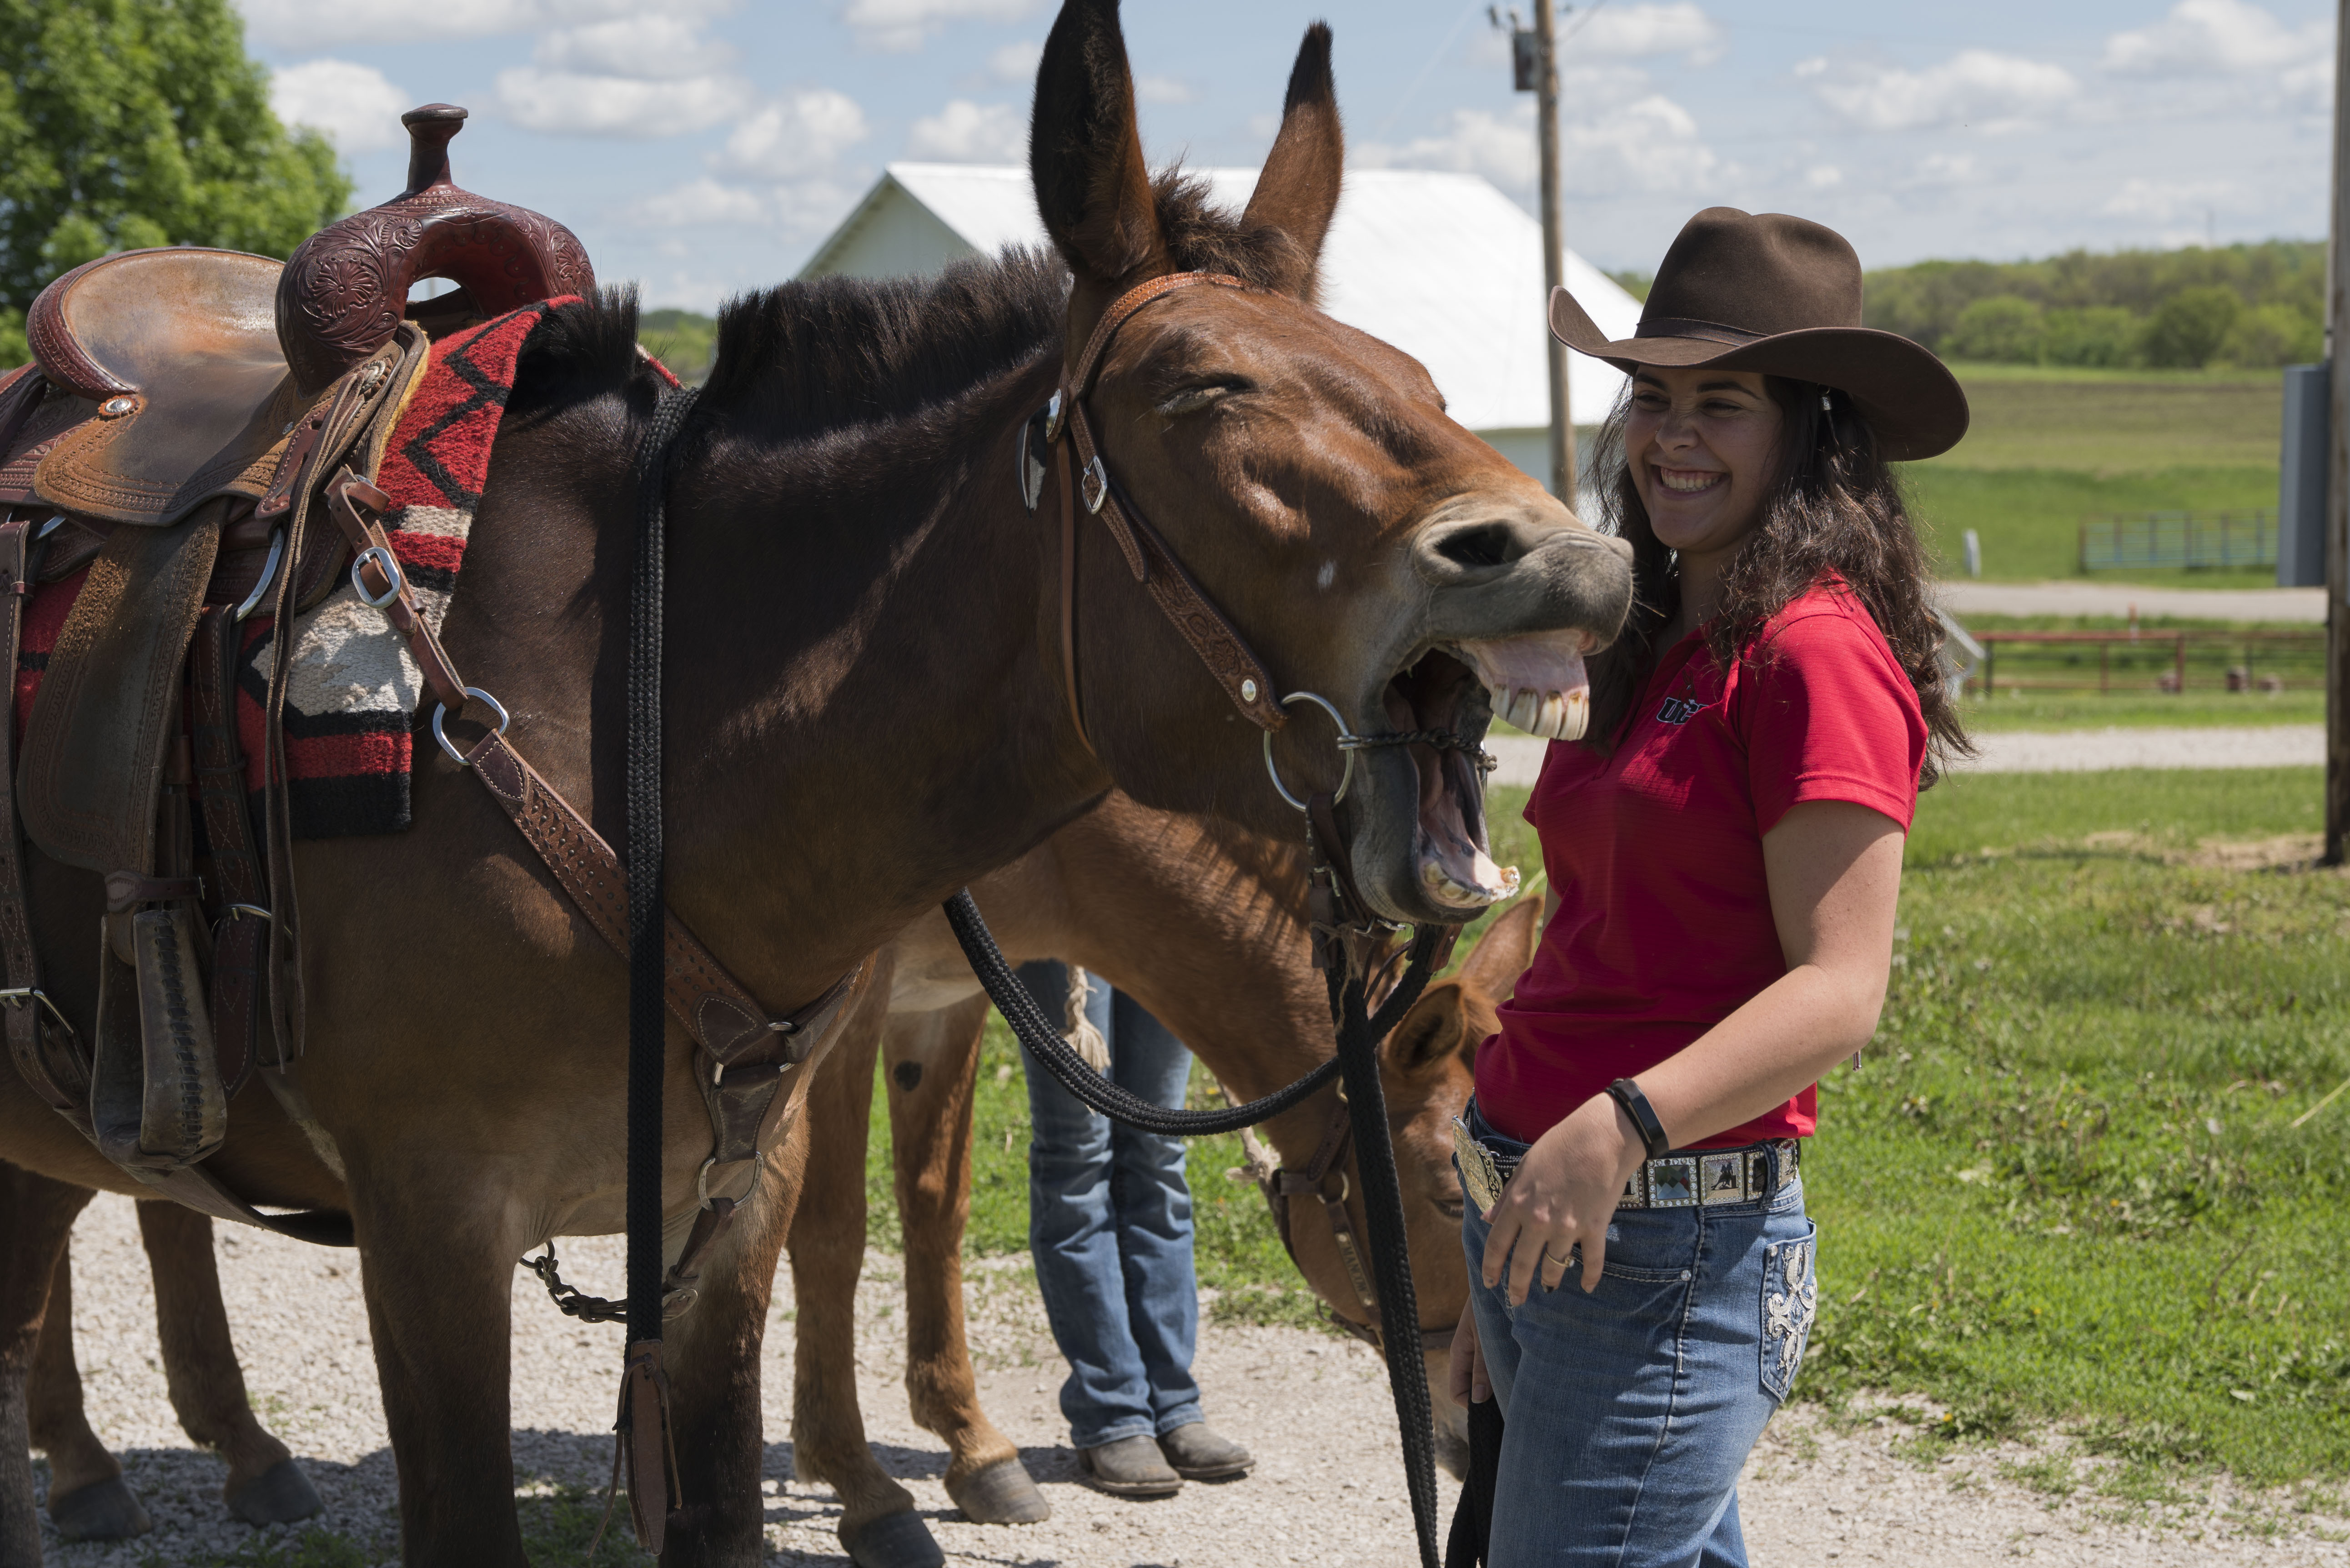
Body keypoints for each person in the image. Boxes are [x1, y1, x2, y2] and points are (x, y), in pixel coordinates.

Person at [1446, 207, 1972, 1567]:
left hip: (1658, 1244)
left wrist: (1612, 1130)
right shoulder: (1653, 630)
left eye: (1720, 404)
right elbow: (1594, 934)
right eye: (1655, 398)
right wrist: (1504, 1246)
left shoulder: (1814, 657)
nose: (1672, 436)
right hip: (1546, 1216)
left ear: (1813, 431)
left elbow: (1841, 992)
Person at [1014, 960, 1254, 1498]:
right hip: (1060, 914)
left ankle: (1172, 1404)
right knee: (1076, 1150)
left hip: (1153, 903)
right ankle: (1113, 1411)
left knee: (1157, 1147)